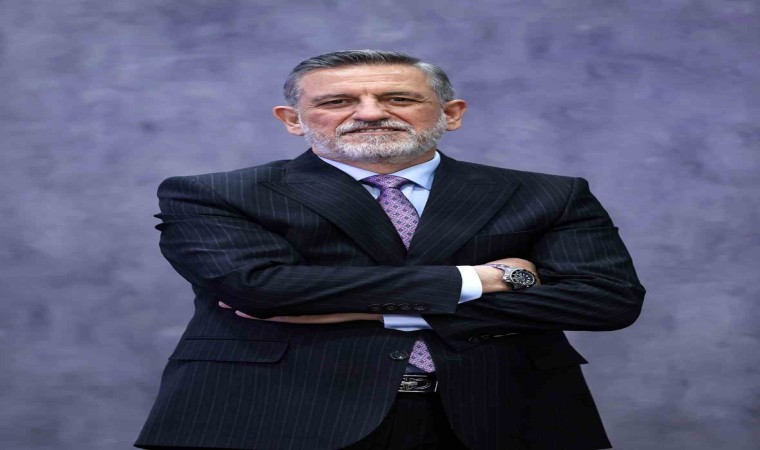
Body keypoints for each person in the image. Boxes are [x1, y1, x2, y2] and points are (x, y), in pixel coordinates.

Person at [135, 50, 645, 450]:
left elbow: (607, 301)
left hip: (507, 418)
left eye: (399, 98)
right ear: (293, 119)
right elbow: (258, 289)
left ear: (451, 113)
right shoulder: (214, 193)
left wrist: (368, 309)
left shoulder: (548, 194)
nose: (370, 113)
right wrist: (477, 279)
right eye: (336, 101)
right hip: (274, 417)